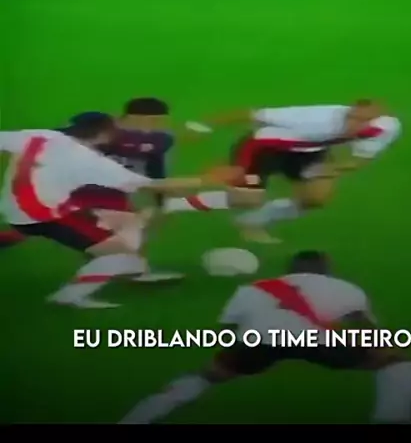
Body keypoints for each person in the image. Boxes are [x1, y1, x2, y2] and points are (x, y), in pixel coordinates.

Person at [119, 250, 411, 424]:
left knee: (209, 374)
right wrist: (381, 352)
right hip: (319, 341)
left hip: (259, 340)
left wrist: (229, 362)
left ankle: (137, 418)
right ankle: (392, 417)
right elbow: (370, 332)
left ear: (289, 271)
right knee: (398, 363)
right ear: (327, 271)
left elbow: (228, 332)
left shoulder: (253, 288)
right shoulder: (345, 288)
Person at [0, 116, 237, 308]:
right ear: (104, 135)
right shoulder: (86, 160)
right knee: (122, 256)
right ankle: (69, 296)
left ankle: (131, 268)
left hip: (18, 209)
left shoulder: (38, 135)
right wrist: (206, 179)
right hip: (47, 216)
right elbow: (151, 185)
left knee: (128, 221)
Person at [154, 100, 402, 243]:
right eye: (353, 119)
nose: (355, 127)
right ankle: (167, 203)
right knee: (247, 199)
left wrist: (330, 169)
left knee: (316, 198)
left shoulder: (382, 129)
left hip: (309, 152)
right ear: (348, 112)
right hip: (264, 149)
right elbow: (250, 114)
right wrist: (203, 125)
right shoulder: (313, 118)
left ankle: (252, 222)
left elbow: (359, 160)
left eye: (362, 124)